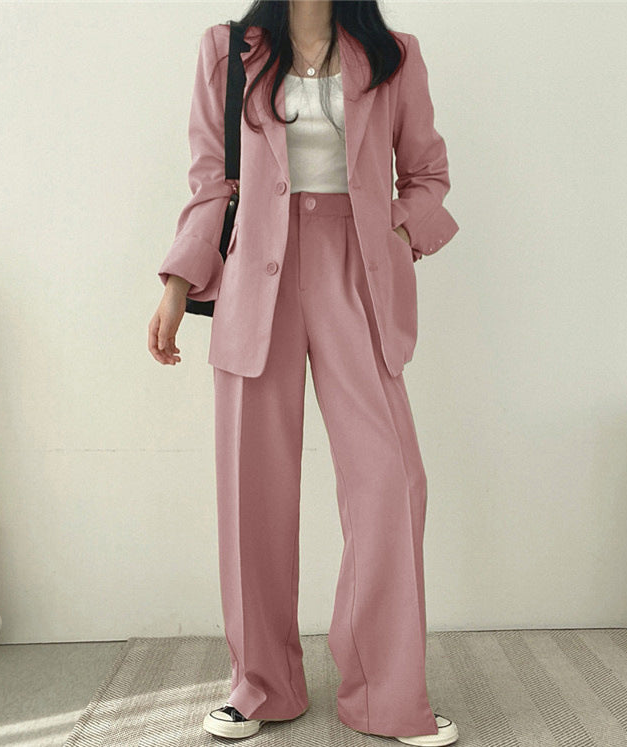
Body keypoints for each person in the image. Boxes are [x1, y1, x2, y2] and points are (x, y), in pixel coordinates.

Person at [148, 1, 460, 744]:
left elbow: (427, 176)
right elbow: (211, 180)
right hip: (255, 273)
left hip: (357, 271)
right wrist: (177, 282)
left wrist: (392, 230)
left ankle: (386, 694)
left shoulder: (394, 55)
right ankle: (260, 685)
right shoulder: (228, 50)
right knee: (251, 489)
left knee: (393, 481)